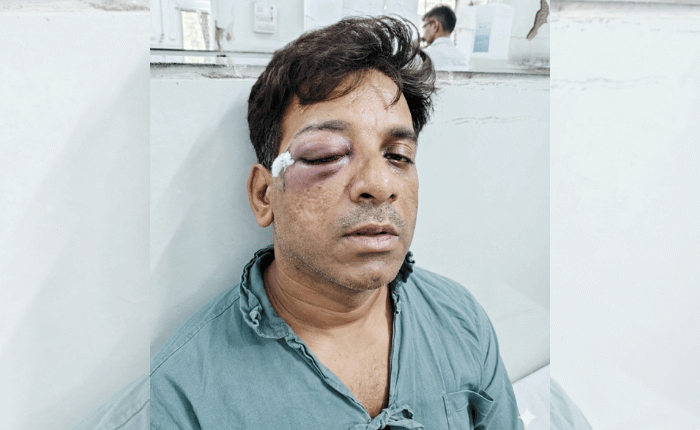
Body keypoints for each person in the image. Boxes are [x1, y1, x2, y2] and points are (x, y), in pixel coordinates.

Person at [150, 16, 523, 429]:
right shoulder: (178, 403)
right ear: (264, 194)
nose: (379, 184)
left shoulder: (460, 321)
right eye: (326, 155)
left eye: (398, 156)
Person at [422, 5, 470, 69]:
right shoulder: (463, 58)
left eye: (425, 26)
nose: (424, 32)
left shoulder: (425, 56)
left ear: (434, 25)